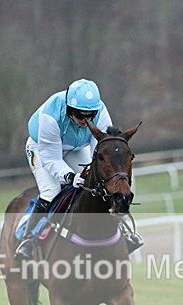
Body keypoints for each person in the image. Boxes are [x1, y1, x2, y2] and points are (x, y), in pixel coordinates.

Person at [15, 79, 143, 261]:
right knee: (51, 191)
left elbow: (102, 150)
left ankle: (122, 230)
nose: (87, 121)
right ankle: (28, 240)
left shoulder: (101, 112)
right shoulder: (50, 116)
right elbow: (51, 158)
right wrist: (69, 176)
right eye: (81, 116)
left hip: (76, 149)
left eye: (90, 116)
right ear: (69, 110)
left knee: (98, 186)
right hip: (42, 149)